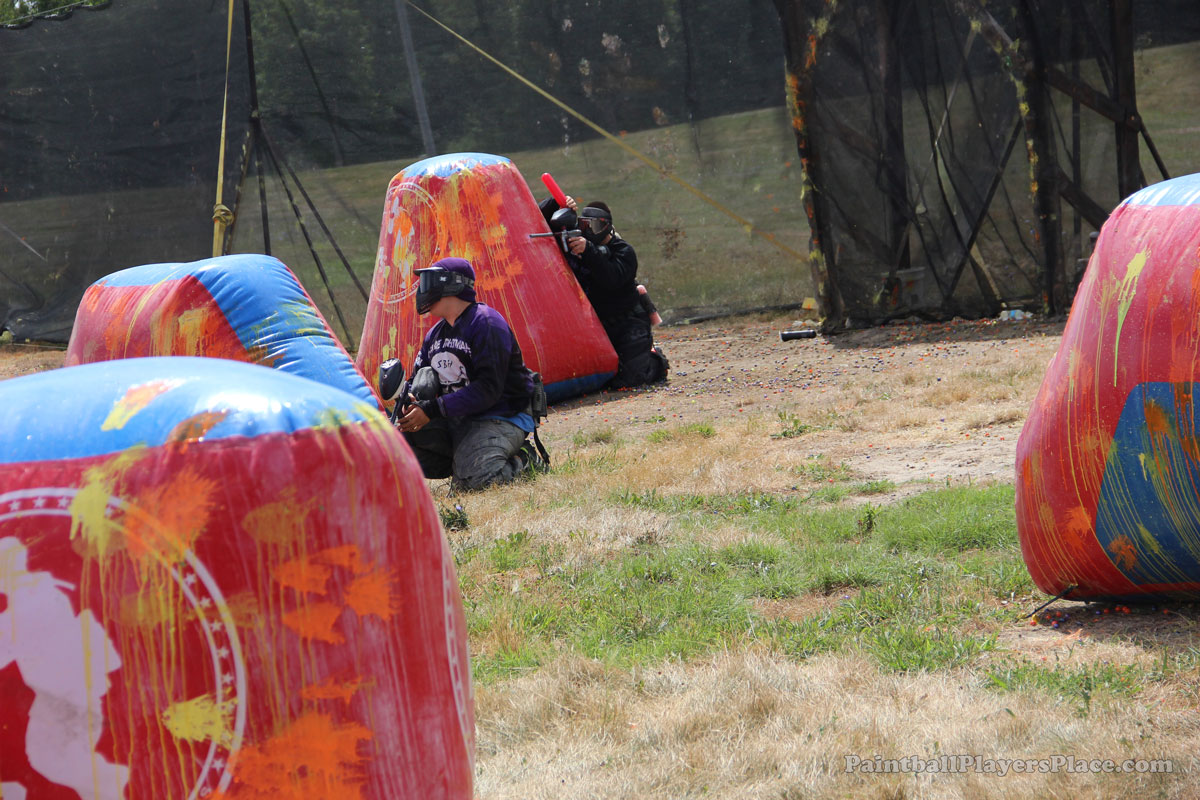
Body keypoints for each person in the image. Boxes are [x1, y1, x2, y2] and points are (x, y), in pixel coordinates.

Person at [396, 257, 546, 490]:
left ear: (451, 285)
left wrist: (432, 409)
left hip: (501, 414)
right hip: (460, 416)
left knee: (476, 482)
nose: (422, 290)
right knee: (395, 444)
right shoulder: (435, 335)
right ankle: (465, 460)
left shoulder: (486, 323)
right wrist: (410, 402)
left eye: (428, 282)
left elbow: (488, 390)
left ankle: (524, 459)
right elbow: (418, 379)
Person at [539, 195, 668, 389]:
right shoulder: (576, 248)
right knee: (597, 379)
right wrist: (556, 203)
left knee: (631, 380)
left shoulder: (623, 251)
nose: (590, 231)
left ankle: (656, 361)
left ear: (607, 227)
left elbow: (611, 279)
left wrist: (588, 251)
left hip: (629, 324)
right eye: (585, 225)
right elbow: (535, 220)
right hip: (596, 326)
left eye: (596, 226)